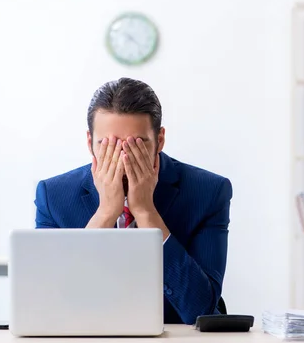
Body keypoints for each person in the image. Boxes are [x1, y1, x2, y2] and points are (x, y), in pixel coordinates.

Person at [33, 77, 233, 325]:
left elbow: (200, 310)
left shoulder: (209, 191)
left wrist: (147, 213)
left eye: (137, 145)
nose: (123, 158)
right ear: (89, 142)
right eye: (108, 145)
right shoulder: (53, 196)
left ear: (159, 140)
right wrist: (105, 214)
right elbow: (49, 305)